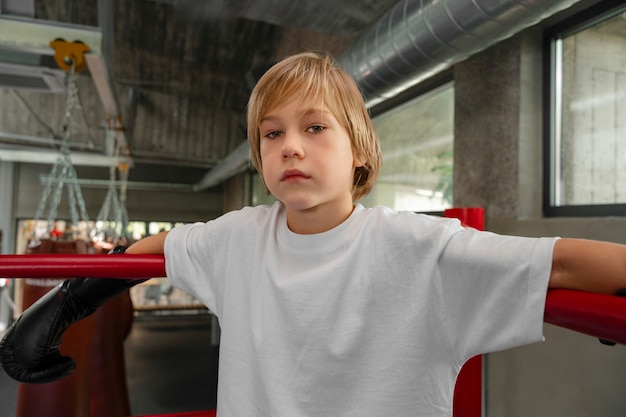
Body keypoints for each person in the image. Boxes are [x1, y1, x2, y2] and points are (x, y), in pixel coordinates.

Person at [2, 51, 626, 416]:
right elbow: (157, 247)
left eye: (315, 127)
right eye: (272, 134)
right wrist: (62, 307)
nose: (290, 146)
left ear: (359, 150)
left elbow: (565, 263)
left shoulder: (421, 248)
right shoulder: (237, 237)